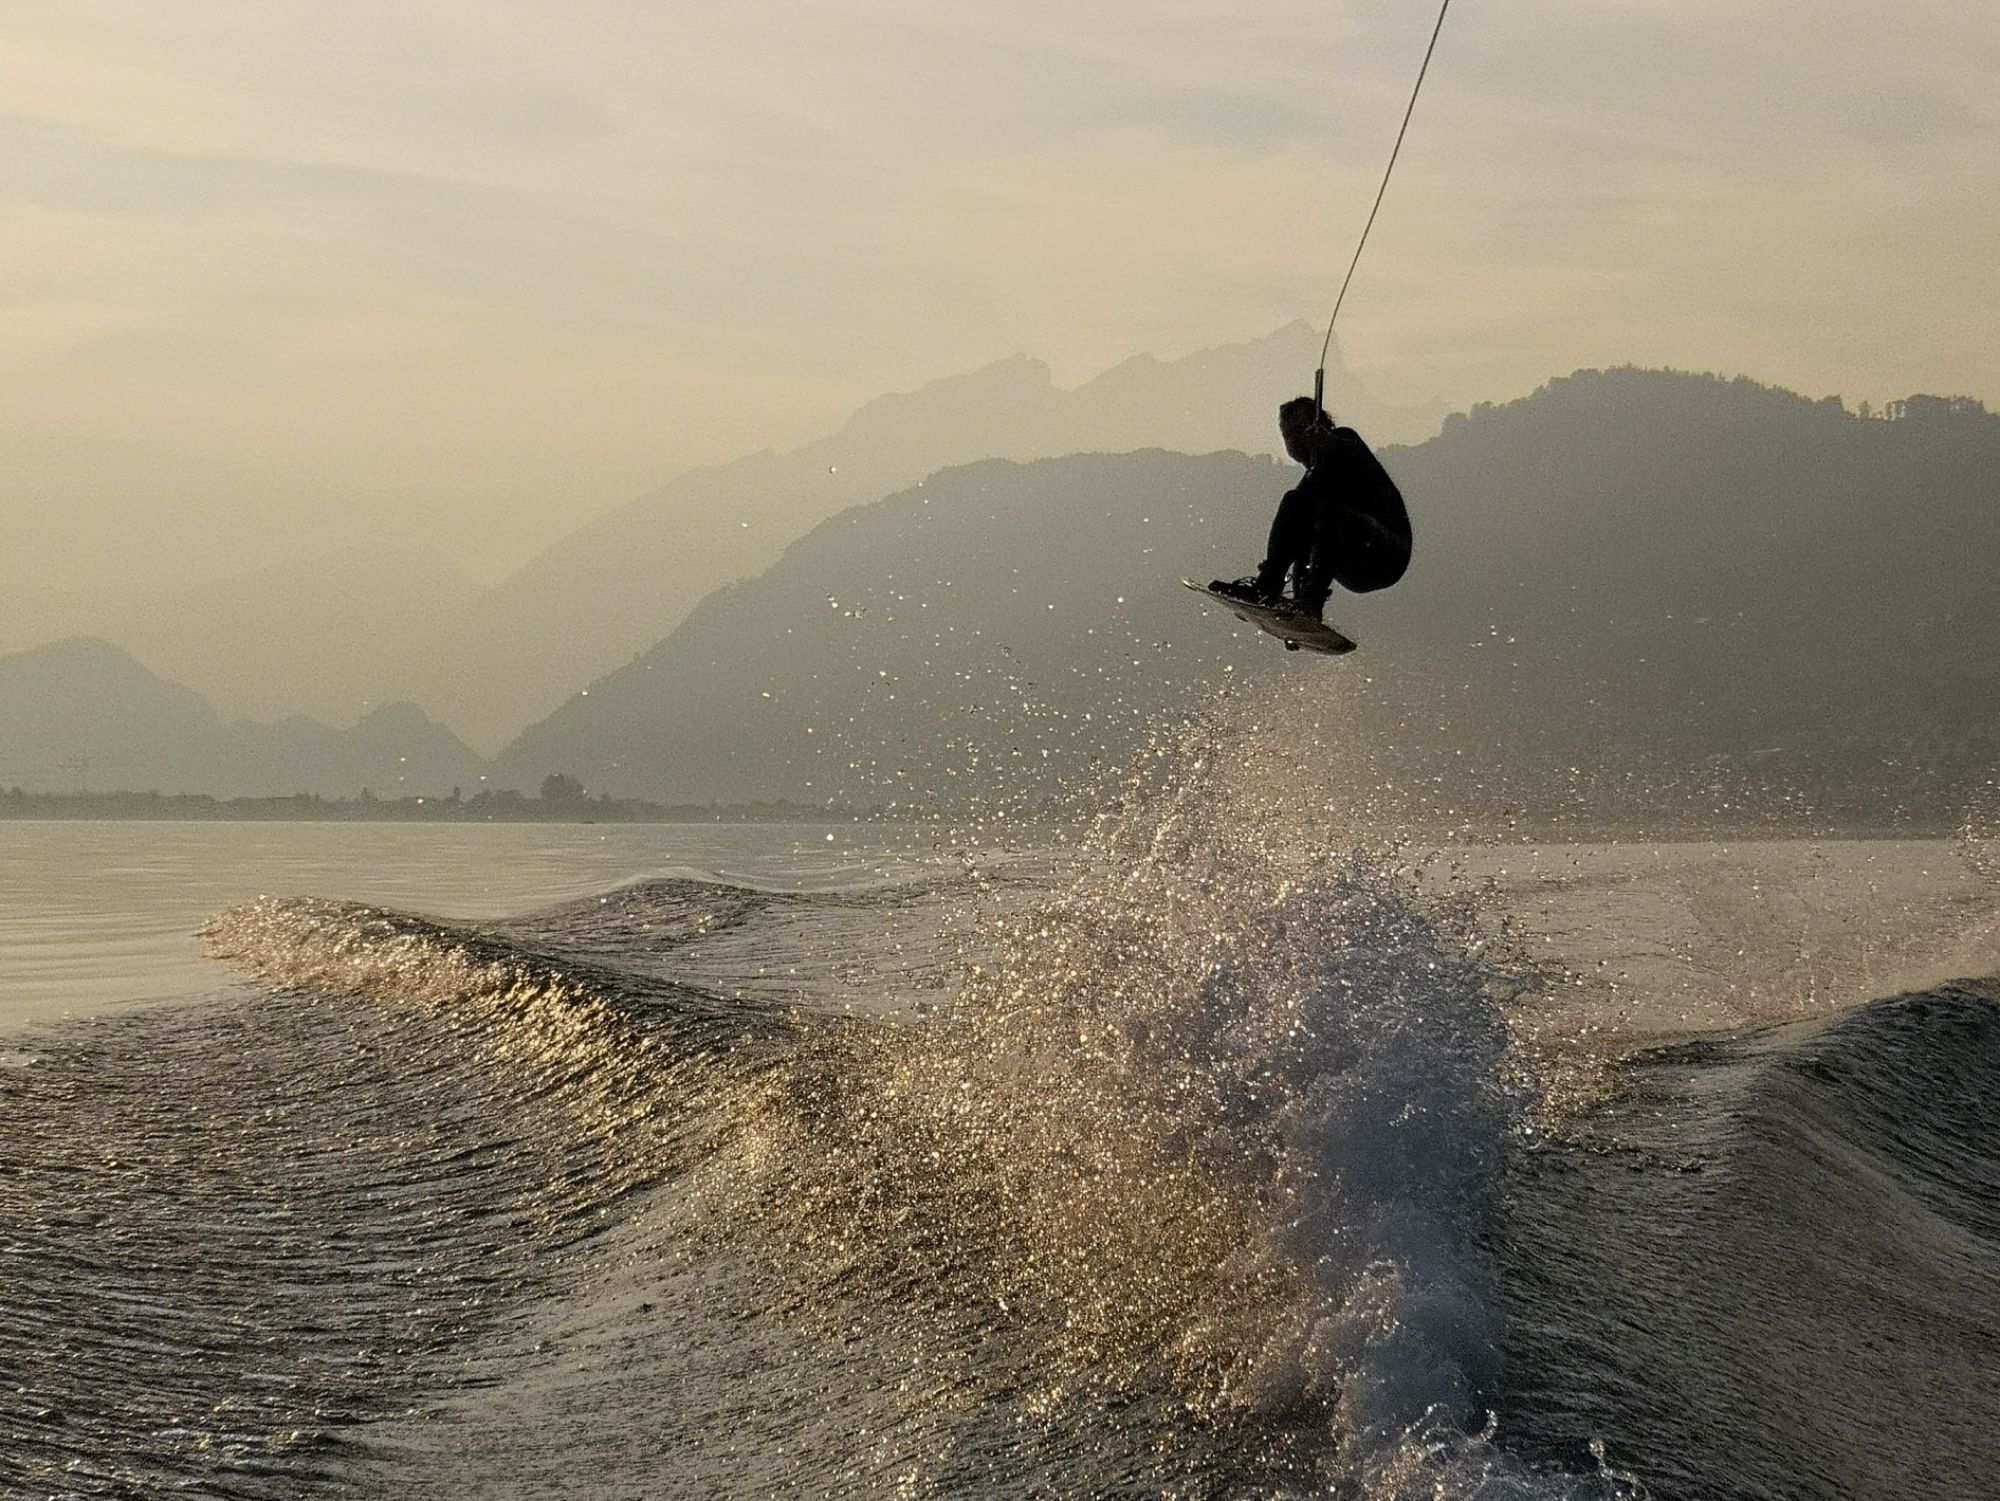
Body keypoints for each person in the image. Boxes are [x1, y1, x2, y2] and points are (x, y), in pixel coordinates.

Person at [1210, 396, 1411, 619]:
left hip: (1387, 555)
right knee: (1294, 503)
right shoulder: (1310, 485)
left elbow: (1345, 448)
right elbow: (1299, 542)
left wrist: (1328, 442)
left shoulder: (1345, 441)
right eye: (1287, 434)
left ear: (1322, 426)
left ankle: (1309, 600)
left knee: (1328, 512)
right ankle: (1268, 588)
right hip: (1353, 564)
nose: (1294, 438)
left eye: (1301, 429)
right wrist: (1296, 611)